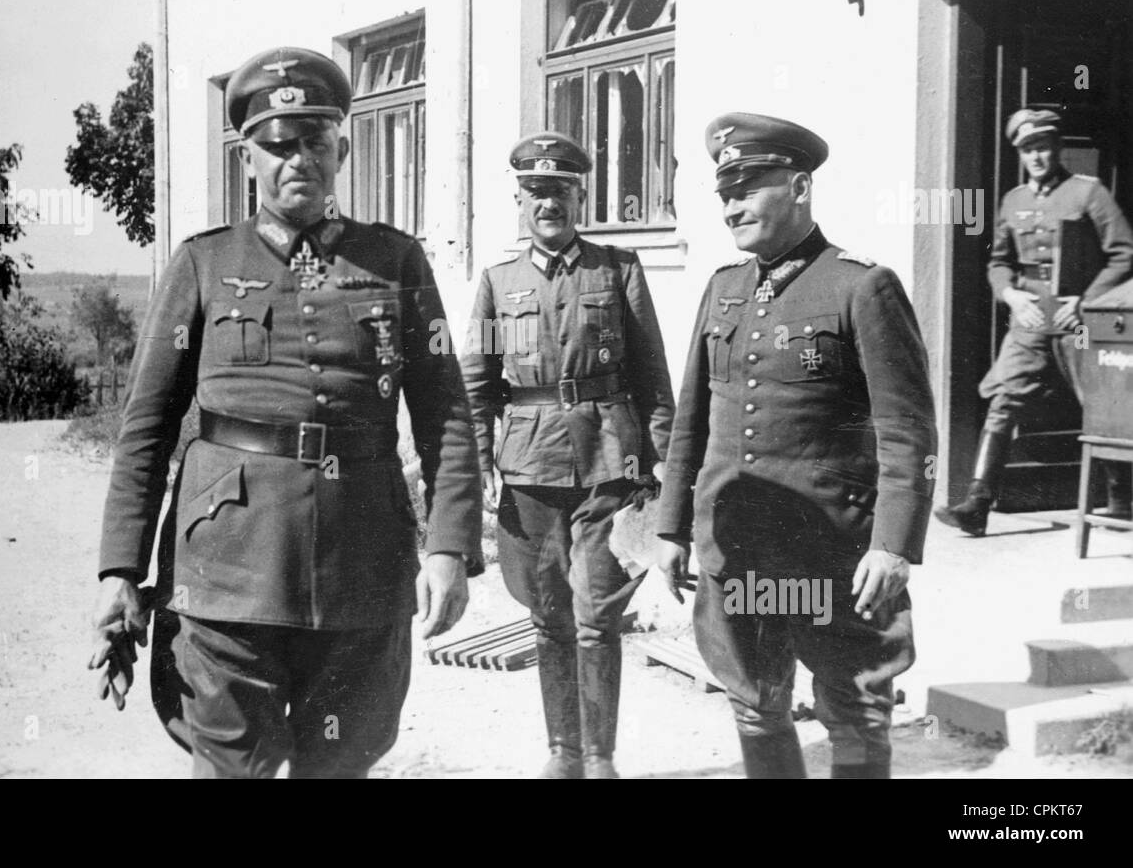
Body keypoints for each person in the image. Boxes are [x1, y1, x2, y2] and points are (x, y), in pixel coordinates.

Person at [87, 46, 483, 778]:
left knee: (342, 762)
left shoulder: (395, 262)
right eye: (277, 146)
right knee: (239, 767)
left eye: (315, 142)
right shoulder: (203, 264)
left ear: (341, 146)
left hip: (363, 565)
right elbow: (145, 424)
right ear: (248, 157)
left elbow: (446, 416)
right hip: (228, 566)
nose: (297, 159)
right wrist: (121, 569)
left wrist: (449, 548)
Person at [655, 112, 937, 779]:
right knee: (756, 704)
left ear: (801, 185)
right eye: (724, 192)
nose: (731, 206)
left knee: (855, 712)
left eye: (749, 187)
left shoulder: (860, 285)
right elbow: (691, 419)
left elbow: (907, 429)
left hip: (831, 558)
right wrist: (669, 527)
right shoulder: (723, 288)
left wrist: (894, 544)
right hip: (740, 550)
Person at [460, 131, 674, 778]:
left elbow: (654, 377)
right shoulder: (498, 283)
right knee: (549, 613)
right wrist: (472, 476)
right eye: (535, 192)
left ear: (579, 195)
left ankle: (600, 755)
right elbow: (477, 389)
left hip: (611, 463)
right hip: (530, 467)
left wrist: (664, 470)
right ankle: (562, 751)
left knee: (597, 611)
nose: (547, 202)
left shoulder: (618, 269)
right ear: (519, 200)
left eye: (559, 190)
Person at [935, 108, 1133, 536]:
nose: (1037, 157)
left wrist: (1086, 300)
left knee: (1103, 406)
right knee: (1004, 398)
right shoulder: (1014, 200)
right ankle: (978, 503)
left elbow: (1123, 253)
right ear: (1020, 154)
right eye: (1028, 150)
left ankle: (1122, 501)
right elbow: (999, 262)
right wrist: (1009, 293)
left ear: (1057, 148)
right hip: (1030, 319)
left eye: (1043, 147)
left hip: (1079, 320)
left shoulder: (1089, 192)